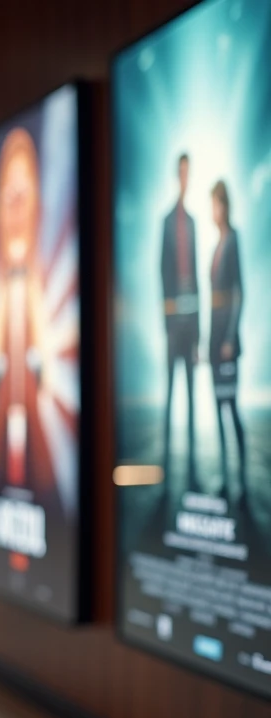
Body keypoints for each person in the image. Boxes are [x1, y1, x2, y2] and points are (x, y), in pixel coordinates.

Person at [161, 153, 200, 487]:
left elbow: (197, 279)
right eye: (182, 172)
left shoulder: (193, 223)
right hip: (173, 325)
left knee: (190, 394)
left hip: (191, 324)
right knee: (170, 392)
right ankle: (164, 460)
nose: (185, 178)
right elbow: (162, 272)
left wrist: (198, 335)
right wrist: (168, 321)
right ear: (177, 175)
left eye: (189, 172)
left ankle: (191, 463)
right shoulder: (167, 223)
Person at [207, 179, 246, 504]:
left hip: (227, 344)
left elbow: (238, 292)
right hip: (213, 342)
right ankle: (224, 474)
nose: (212, 210)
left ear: (224, 205)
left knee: (231, 409)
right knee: (219, 410)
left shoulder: (233, 240)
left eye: (215, 204)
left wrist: (231, 337)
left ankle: (241, 479)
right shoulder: (217, 245)